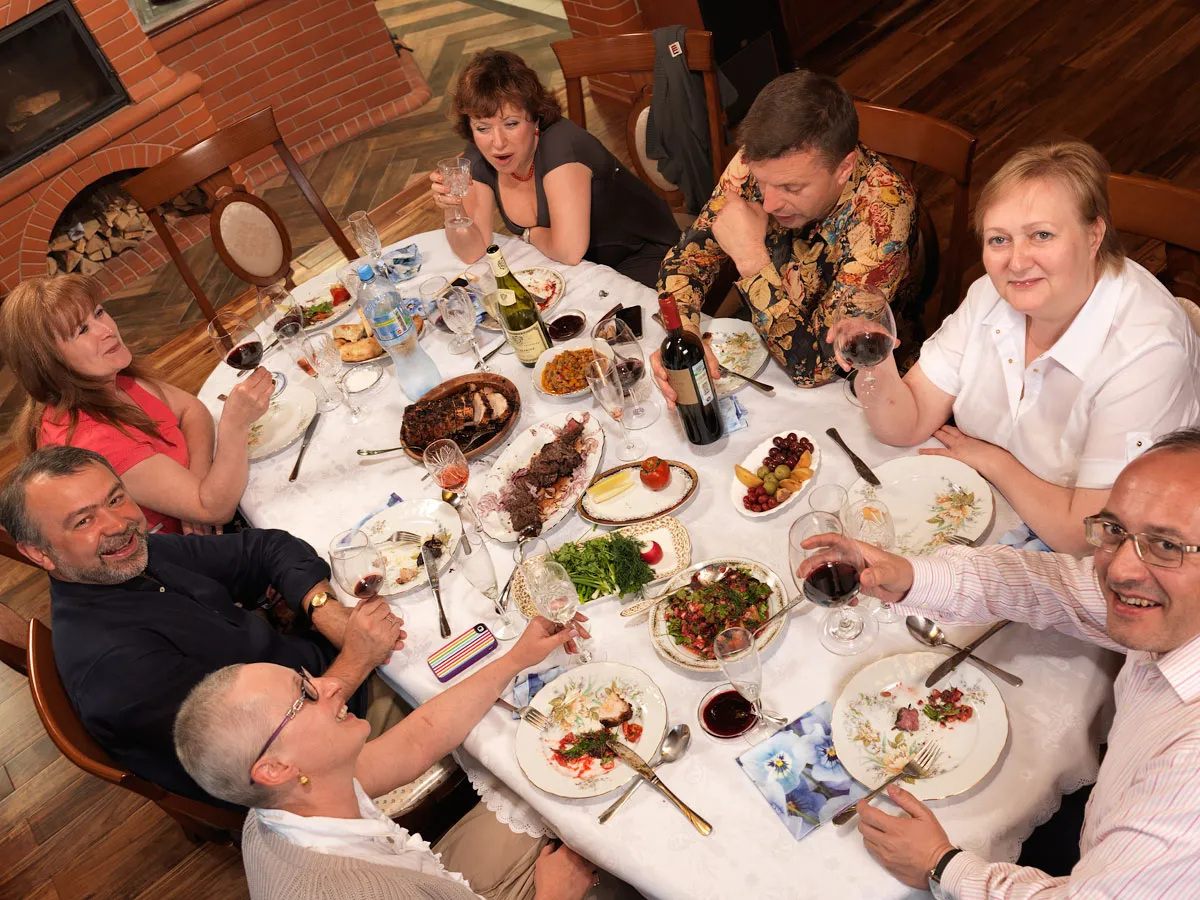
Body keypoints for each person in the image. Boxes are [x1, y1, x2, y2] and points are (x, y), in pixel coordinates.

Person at [797, 427, 1200, 899]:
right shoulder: (1171, 614)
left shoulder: (1188, 772)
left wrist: (940, 865)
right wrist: (909, 575)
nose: (1118, 570)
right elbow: (1045, 584)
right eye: (1114, 531)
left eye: (1168, 546)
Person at [0, 445, 406, 805]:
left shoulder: (126, 556)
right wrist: (355, 660)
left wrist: (323, 610)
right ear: (39, 553)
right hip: (312, 767)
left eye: (115, 498)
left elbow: (265, 548)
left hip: (317, 670)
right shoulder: (116, 667)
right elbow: (267, 761)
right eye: (83, 522)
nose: (116, 523)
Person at [850, 141, 1200, 555]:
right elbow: (902, 426)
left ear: (1094, 235)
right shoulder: (989, 296)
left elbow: (1091, 537)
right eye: (999, 240)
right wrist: (874, 362)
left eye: (1042, 235)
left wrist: (996, 463)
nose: (1016, 262)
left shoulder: (1145, 351)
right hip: (991, 512)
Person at [174, 632, 626, 900]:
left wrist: (516, 657)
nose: (332, 684)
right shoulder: (360, 892)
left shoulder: (281, 803)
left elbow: (417, 739)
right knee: (616, 846)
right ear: (275, 767)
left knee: (559, 793)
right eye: (306, 696)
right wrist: (554, 894)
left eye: (307, 677)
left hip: (433, 876)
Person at [651, 69, 924, 400]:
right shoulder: (760, 164)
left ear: (844, 169)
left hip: (864, 383)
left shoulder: (883, 212)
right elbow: (686, 261)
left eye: (791, 187)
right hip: (767, 337)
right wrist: (685, 336)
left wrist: (751, 260)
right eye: (761, 182)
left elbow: (816, 368)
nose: (768, 202)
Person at [0, 274, 271, 535]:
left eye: (98, 313)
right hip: (189, 561)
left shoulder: (109, 378)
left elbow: (192, 410)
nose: (107, 330)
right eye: (81, 330)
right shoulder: (92, 439)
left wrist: (197, 484)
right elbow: (214, 509)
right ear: (50, 363)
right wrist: (234, 425)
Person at [430, 49, 680, 288]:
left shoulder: (562, 148)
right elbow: (473, 252)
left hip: (648, 259)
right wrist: (453, 208)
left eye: (511, 123)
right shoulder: (479, 157)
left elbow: (568, 251)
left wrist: (530, 235)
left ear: (535, 116)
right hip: (580, 269)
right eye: (483, 128)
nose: (497, 142)